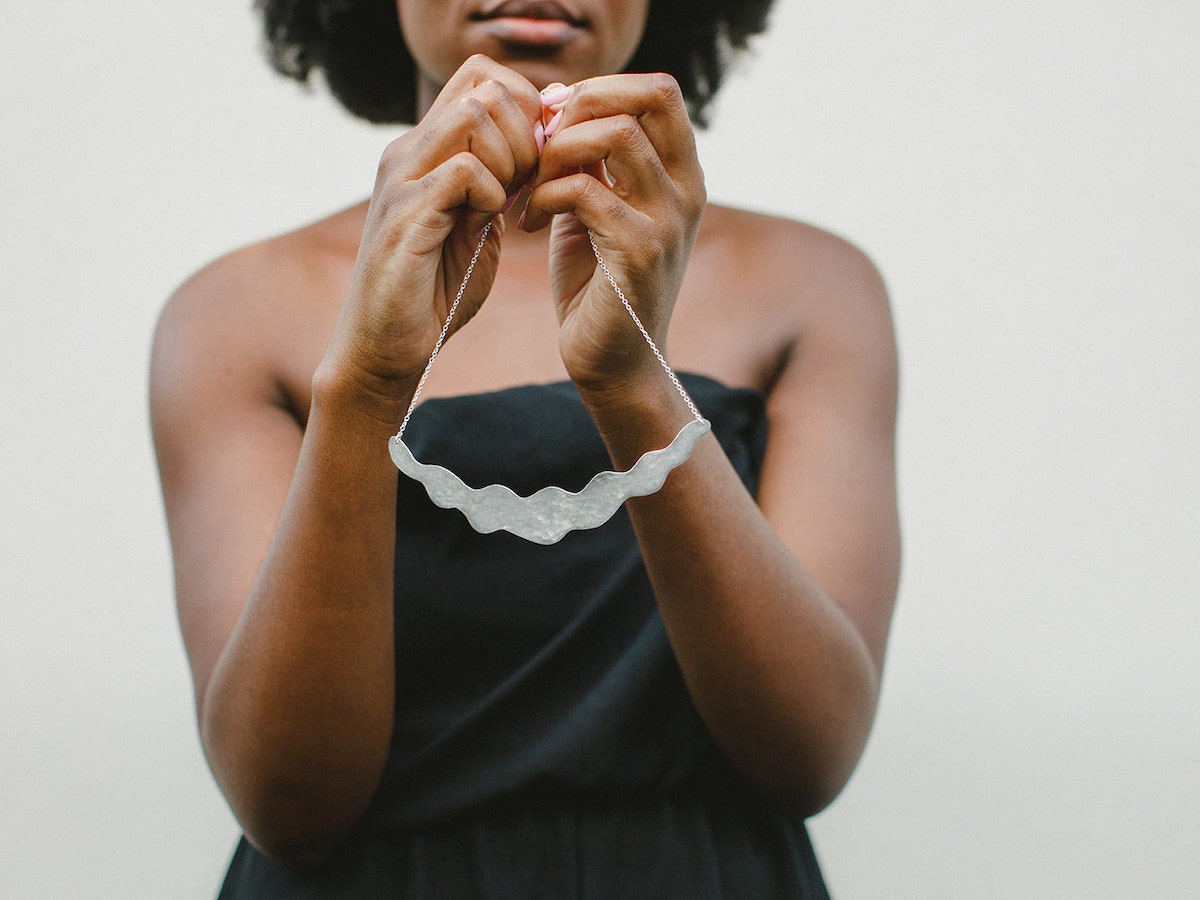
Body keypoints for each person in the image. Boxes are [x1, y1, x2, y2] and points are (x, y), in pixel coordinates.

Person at [151, 0, 901, 895]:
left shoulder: (812, 287)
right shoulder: (232, 313)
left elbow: (809, 754)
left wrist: (631, 384)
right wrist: (365, 386)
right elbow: (288, 804)